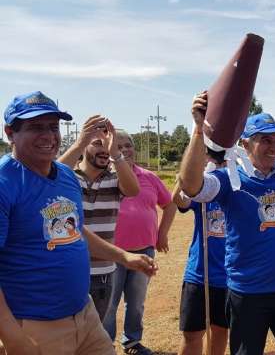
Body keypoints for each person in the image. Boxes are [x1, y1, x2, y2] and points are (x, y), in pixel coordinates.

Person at [179, 79, 275, 355]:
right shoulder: (229, 179)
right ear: (244, 144)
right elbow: (191, 186)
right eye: (265, 139)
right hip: (247, 295)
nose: (273, 146)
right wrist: (197, 131)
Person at [0, 91, 157, 355]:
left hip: (84, 315)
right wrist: (13, 337)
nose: (49, 135)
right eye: (35, 127)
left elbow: (75, 231)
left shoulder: (64, 175)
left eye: (53, 126)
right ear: (10, 133)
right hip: (34, 325)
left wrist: (124, 257)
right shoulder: (5, 184)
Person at [57, 116, 140, 321]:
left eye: (108, 143)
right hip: (67, 270)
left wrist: (116, 154)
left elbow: (132, 189)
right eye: (96, 143)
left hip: (102, 273)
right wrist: (79, 142)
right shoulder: (68, 176)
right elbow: (48, 177)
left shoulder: (115, 179)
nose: (104, 148)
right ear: (84, 146)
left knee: (94, 335)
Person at [103, 130, 177, 355]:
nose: (125, 150)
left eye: (128, 145)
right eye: (119, 146)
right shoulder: (104, 177)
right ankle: (105, 345)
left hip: (144, 251)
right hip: (111, 253)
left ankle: (132, 342)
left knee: (136, 302)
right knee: (108, 304)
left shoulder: (149, 176)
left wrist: (162, 234)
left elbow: (170, 204)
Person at [173, 148, 229, 355]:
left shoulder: (234, 186)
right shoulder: (203, 191)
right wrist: (189, 173)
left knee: (221, 330)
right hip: (199, 274)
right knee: (192, 334)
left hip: (228, 276)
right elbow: (179, 200)